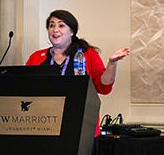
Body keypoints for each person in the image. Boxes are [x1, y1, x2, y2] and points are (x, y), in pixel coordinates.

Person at [26, 9, 130, 137]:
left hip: (80, 122)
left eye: (61, 25)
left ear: (72, 31)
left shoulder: (87, 54)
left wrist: (112, 63)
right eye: (51, 25)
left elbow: (103, 87)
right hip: (44, 123)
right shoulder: (36, 57)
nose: (55, 29)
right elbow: (26, 89)